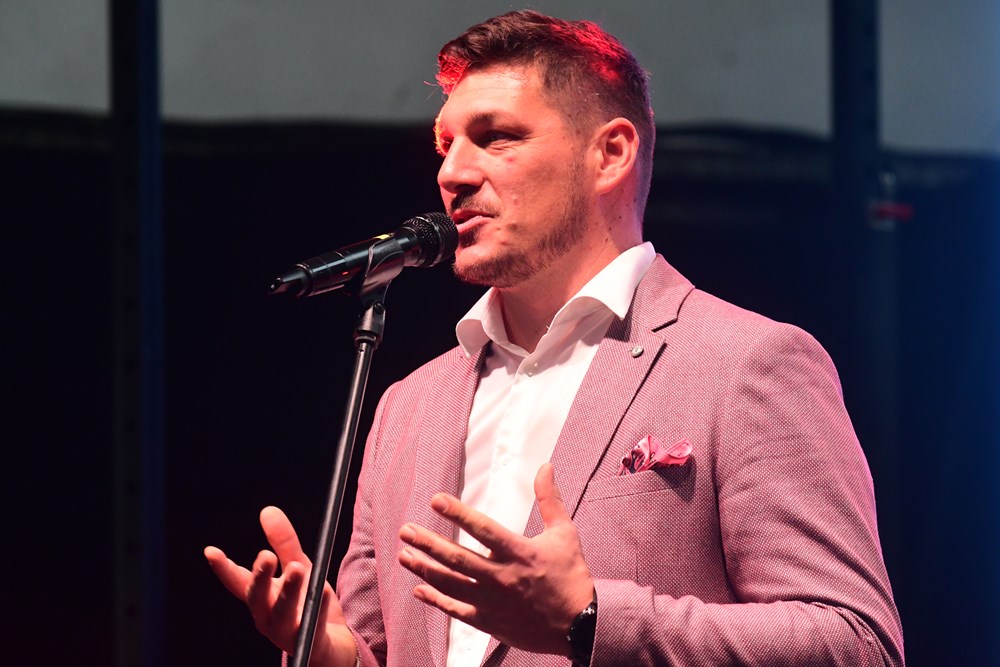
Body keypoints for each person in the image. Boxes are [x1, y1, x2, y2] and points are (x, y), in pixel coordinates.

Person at [205, 10, 904, 667]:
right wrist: (336, 655)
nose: (452, 173)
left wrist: (593, 618)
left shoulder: (746, 363)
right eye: (446, 145)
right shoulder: (407, 406)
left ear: (610, 154)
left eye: (496, 137)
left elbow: (856, 642)